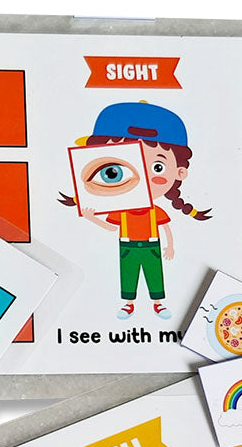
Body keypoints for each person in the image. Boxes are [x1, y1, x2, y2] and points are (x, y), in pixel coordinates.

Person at [61, 102, 211, 320]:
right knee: (128, 276)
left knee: (154, 275)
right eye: (113, 171)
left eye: (157, 167)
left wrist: (170, 246)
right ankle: (128, 304)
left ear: (180, 172)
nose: (140, 179)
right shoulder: (121, 209)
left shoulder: (154, 210)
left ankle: (158, 303)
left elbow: (165, 227)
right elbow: (112, 227)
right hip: (127, 247)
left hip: (152, 246)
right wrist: (92, 218)